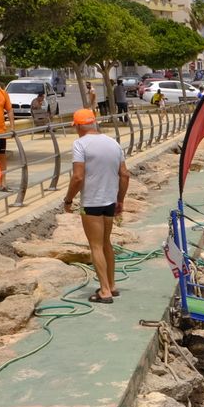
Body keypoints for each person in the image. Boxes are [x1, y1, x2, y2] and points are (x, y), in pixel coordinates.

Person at [61, 108, 129, 303]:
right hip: (109, 201)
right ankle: (112, 285)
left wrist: (68, 199)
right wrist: (120, 199)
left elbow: (77, 176)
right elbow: (124, 174)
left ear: (80, 126)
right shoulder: (113, 143)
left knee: (96, 246)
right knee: (106, 243)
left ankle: (105, 291)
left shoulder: (80, 145)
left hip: (91, 203)